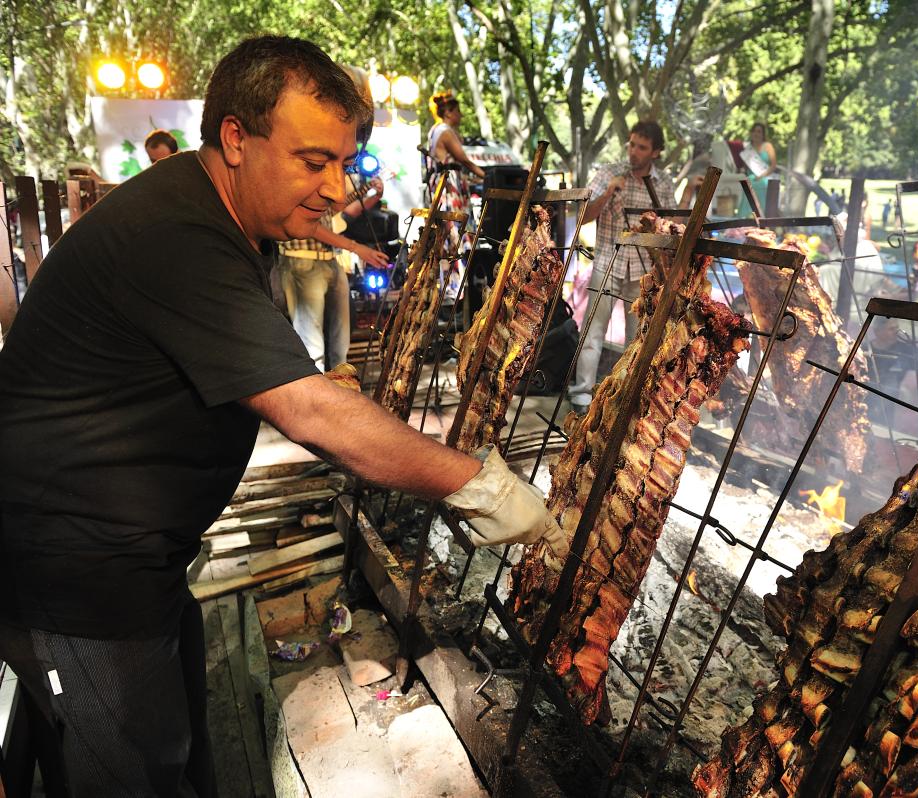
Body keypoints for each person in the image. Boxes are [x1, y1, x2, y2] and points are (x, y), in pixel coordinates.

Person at [0, 36, 565, 797]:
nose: (336, 188)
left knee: (176, 745)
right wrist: (479, 485)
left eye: (341, 160)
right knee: (128, 772)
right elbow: (306, 411)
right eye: (312, 161)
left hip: (138, 558)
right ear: (236, 137)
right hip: (73, 569)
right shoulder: (177, 234)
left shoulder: (214, 214)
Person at [567, 121, 677, 414]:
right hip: (608, 262)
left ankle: (624, 398)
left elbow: (670, 227)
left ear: (655, 152)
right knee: (592, 331)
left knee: (636, 338)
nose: (634, 152)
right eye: (632, 144)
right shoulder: (608, 172)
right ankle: (581, 395)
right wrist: (607, 194)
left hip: (642, 269)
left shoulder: (662, 183)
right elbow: (583, 217)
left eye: (642, 147)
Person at [276, 174, 388, 371]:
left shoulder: (325, 179)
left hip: (329, 260)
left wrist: (372, 195)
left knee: (340, 342)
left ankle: (340, 391)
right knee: (312, 345)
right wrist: (356, 247)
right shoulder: (297, 179)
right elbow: (310, 226)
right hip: (302, 259)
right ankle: (317, 397)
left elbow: (339, 210)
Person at [425, 91, 486, 303]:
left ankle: (455, 289)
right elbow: (464, 160)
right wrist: (488, 177)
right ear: (449, 112)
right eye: (458, 111)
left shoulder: (434, 130)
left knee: (451, 239)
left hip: (446, 188)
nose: (461, 115)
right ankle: (458, 291)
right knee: (456, 236)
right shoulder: (445, 131)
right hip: (449, 190)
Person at [737, 121, 776, 217]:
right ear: (751, 133)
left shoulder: (768, 146)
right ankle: (745, 218)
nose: (756, 134)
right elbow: (746, 168)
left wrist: (762, 175)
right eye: (754, 131)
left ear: (763, 134)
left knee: (761, 184)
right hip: (751, 177)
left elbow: (773, 165)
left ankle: (761, 217)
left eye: (759, 131)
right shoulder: (748, 149)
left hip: (765, 176)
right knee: (748, 183)